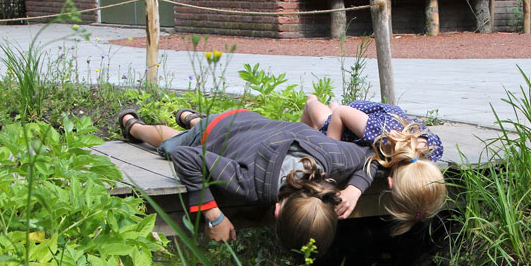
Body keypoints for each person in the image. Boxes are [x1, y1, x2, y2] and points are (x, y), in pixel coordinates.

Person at [118, 107, 376, 254]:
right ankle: (132, 125)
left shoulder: (333, 157)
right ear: (275, 211)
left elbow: (370, 155)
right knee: (171, 144)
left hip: (248, 122)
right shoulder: (251, 183)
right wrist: (214, 216)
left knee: (206, 126)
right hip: (217, 131)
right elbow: (187, 158)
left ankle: (189, 116)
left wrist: (355, 188)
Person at [300, 95, 446, 234]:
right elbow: (341, 113)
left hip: (367, 123)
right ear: (390, 183)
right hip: (354, 117)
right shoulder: (379, 134)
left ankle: (331, 106)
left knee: (334, 116)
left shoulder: (430, 150)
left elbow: (433, 141)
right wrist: (334, 153)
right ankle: (311, 102)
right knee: (323, 121)